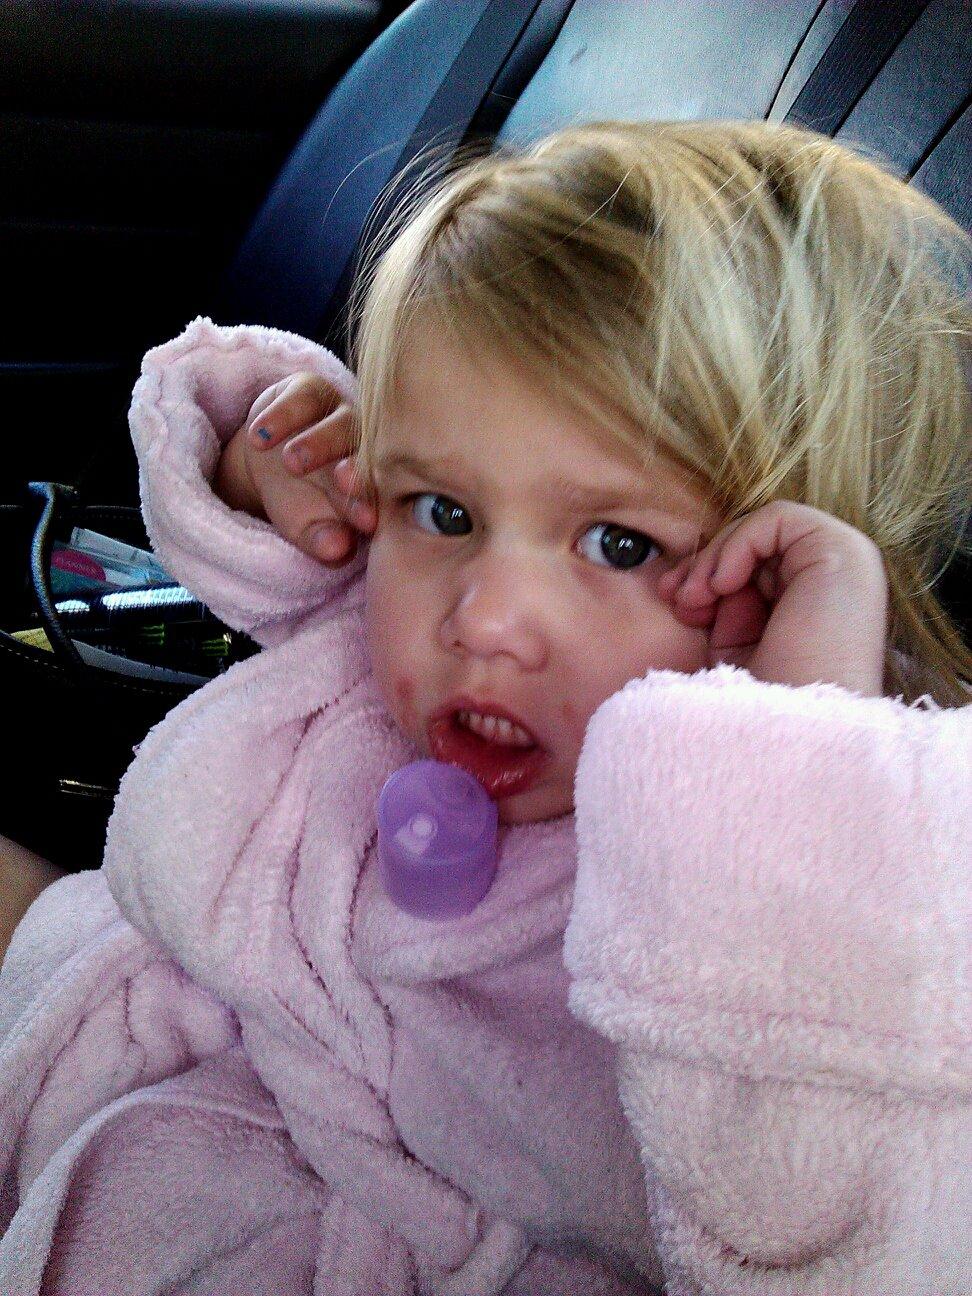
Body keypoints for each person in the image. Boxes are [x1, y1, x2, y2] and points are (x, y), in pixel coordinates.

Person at [0, 120, 968, 1295]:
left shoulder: (865, 899)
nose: (486, 618)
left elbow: (824, 1217)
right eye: (446, 511)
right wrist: (269, 468)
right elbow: (294, 570)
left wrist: (791, 766)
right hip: (144, 1013)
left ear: (787, 578)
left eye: (619, 544)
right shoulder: (407, 639)